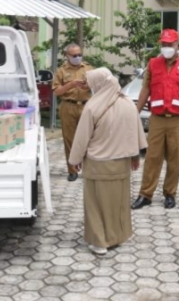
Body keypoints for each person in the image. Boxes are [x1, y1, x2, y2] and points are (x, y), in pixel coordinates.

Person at [68, 68, 147, 255]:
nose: (89, 87)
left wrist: (75, 159)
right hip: (122, 164)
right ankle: (117, 237)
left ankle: (100, 242)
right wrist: (135, 156)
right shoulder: (128, 104)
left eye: (90, 84)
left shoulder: (92, 107)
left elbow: (82, 137)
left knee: (96, 205)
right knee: (117, 204)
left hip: (98, 165)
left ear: (99, 84)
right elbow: (135, 132)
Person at [131, 29, 179, 210]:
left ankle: (170, 194)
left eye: (170, 44)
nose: (166, 47)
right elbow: (145, 90)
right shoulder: (153, 64)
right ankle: (145, 194)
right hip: (157, 118)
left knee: (174, 158)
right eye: (164, 44)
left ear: (178, 46)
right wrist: (135, 113)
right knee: (152, 157)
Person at [52, 43, 93, 181]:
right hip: (68, 106)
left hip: (86, 106)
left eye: (80, 54)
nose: (78, 57)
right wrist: (71, 84)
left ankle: (89, 168)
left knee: (89, 138)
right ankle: (72, 170)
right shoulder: (61, 71)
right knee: (69, 139)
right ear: (67, 56)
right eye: (74, 55)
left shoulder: (88, 68)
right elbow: (56, 92)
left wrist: (88, 85)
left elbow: (98, 85)